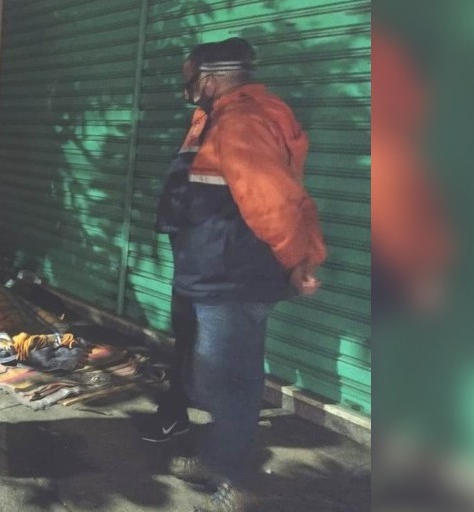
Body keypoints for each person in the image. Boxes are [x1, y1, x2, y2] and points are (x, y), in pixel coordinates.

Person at [146, 37, 327, 511]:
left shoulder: (242, 122)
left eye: (190, 78)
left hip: (232, 277)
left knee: (225, 381)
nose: (186, 87)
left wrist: (298, 260)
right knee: (218, 378)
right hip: (214, 273)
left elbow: (274, 202)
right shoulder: (218, 118)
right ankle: (225, 458)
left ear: (208, 79)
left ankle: (241, 481)